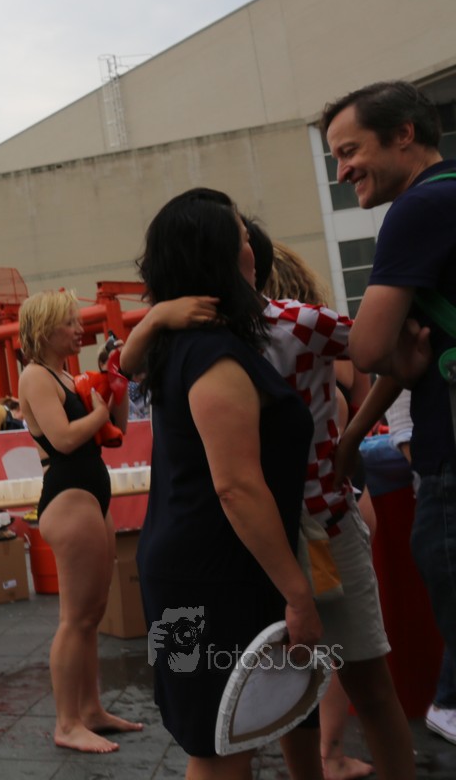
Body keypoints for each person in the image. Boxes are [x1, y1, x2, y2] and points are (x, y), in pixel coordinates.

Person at [126, 222, 414, 780]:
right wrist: (158, 318)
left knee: (341, 687)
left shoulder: (286, 324)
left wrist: (351, 438)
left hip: (305, 528)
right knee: (274, 706)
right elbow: (127, 368)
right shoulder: (196, 338)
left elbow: (391, 349)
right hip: (255, 539)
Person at [135, 188, 316, 777]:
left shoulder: (188, 345)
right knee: (221, 753)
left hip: (211, 570)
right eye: (240, 237)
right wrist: (298, 594)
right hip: (211, 579)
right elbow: (236, 486)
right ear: (214, 255)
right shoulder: (212, 356)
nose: (253, 248)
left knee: (228, 743)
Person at [324, 82, 456, 747]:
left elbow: (373, 348)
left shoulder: (417, 209)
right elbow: (408, 355)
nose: (341, 170)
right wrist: (352, 436)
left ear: (404, 134)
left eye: (350, 151)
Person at [17, 290, 137, 754]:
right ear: (45, 329)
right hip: (68, 496)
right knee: (74, 618)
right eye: (69, 322)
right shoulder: (35, 376)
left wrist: (117, 387)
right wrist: (100, 411)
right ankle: (67, 723)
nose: (78, 328)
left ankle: (90, 710)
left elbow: (114, 432)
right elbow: (65, 438)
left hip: (90, 493)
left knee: (91, 614)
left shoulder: (69, 376)